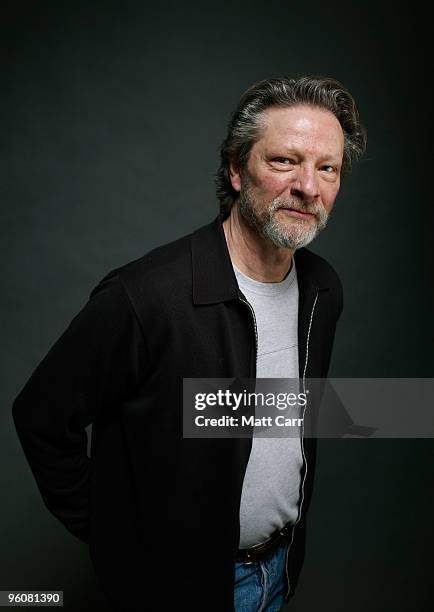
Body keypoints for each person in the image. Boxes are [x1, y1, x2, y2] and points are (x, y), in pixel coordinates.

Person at [12, 76, 366, 612]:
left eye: (328, 168)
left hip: (278, 572)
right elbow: (41, 416)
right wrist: (120, 537)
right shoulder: (144, 297)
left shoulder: (323, 290)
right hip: (173, 590)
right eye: (284, 161)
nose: (308, 188)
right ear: (235, 169)